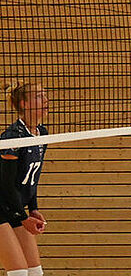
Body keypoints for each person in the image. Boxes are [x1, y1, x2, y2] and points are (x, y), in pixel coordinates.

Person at [0, 82, 49, 276]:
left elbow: (32, 178)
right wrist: (23, 217)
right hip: (2, 206)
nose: (45, 100)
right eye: (38, 96)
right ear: (24, 104)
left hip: (15, 207)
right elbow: (5, 185)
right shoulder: (12, 137)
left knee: (35, 272)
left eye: (45, 95)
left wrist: (33, 208)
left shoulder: (42, 133)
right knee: (19, 272)